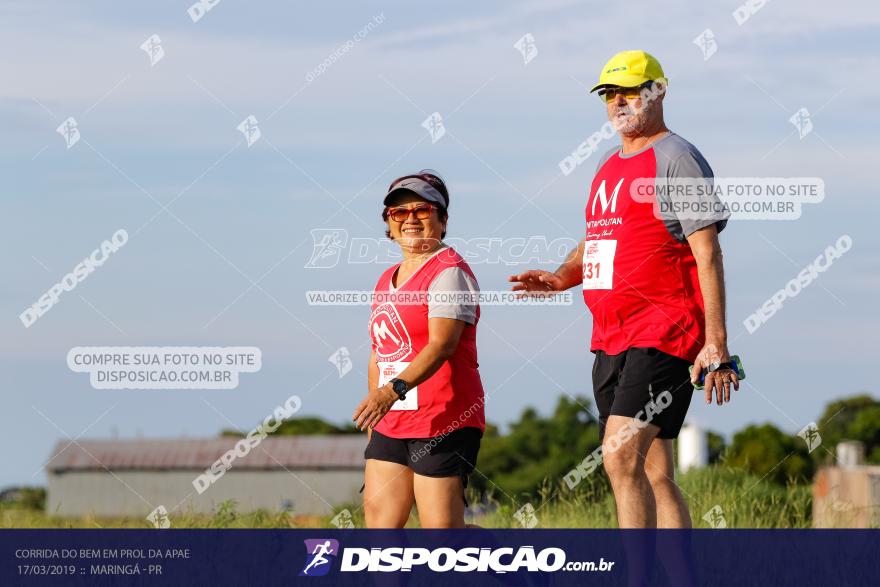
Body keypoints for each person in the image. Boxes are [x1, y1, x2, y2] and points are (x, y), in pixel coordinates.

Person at [509, 50, 738, 529]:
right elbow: (599, 238)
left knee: (617, 456)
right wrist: (561, 276)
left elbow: (707, 253)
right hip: (610, 334)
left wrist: (716, 340)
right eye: (610, 94)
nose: (619, 102)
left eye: (630, 91)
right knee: (656, 473)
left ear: (659, 90)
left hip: (663, 329)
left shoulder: (680, 158)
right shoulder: (607, 164)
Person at [353, 169, 485, 528]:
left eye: (422, 210)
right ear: (389, 223)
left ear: (442, 220)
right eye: (399, 212)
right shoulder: (386, 279)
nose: (410, 218)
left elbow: (443, 344)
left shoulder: (449, 271)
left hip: (442, 418)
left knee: (442, 539)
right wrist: (375, 415)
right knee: (380, 531)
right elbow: (380, 354)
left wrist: (390, 392)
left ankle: (516, 565)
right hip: (391, 421)